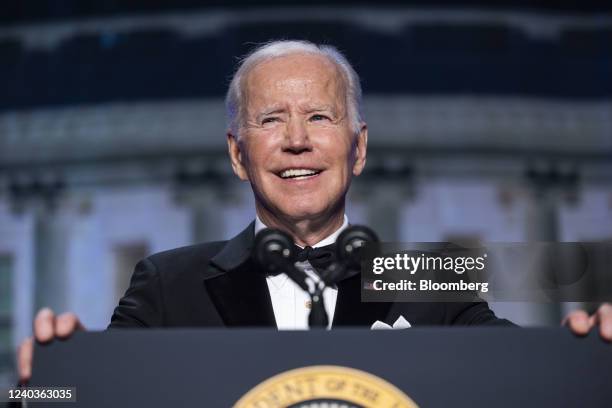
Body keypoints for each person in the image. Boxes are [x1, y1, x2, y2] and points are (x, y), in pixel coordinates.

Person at [16, 40, 612, 383]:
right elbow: (81, 399)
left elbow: (520, 377)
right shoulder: (167, 283)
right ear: (237, 154)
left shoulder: (429, 273)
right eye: (271, 119)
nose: (297, 141)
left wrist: (584, 355)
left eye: (320, 118)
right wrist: (51, 376)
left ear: (358, 149)